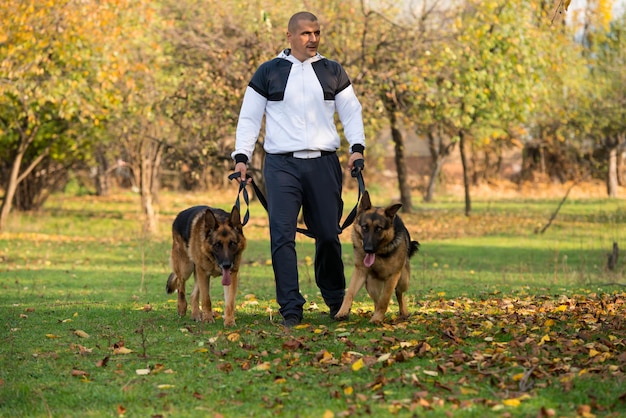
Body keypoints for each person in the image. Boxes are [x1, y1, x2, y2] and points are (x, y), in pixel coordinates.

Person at [231, 11, 365, 327]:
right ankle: (291, 307)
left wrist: (356, 149)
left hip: (324, 163)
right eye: (306, 33)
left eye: (316, 32)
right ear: (289, 36)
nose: (313, 39)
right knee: (281, 236)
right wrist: (241, 156)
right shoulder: (269, 72)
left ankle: (335, 301)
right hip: (281, 165)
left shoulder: (333, 71)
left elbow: (351, 112)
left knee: (329, 236)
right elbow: (249, 118)